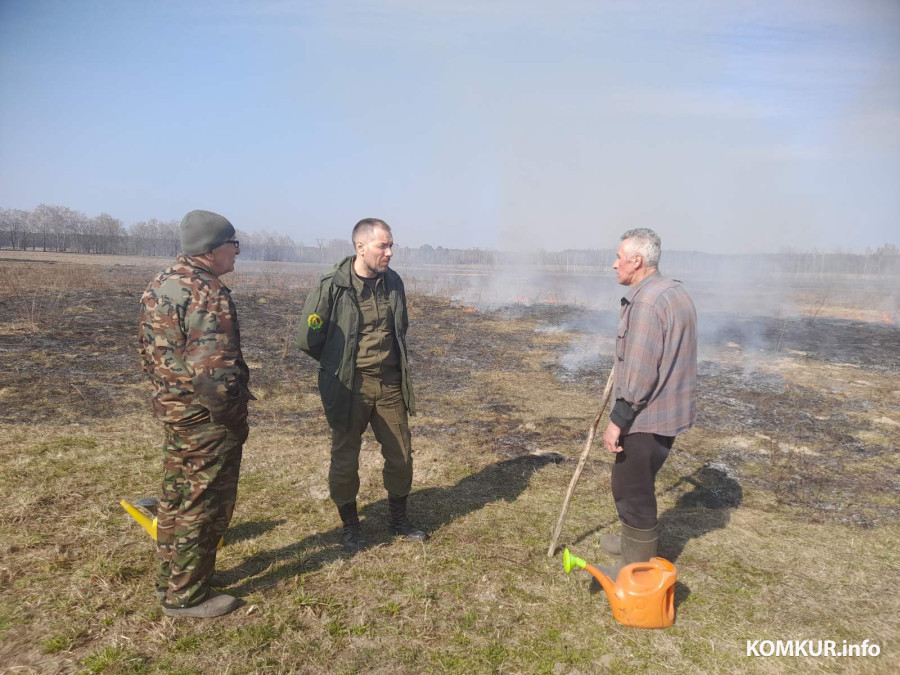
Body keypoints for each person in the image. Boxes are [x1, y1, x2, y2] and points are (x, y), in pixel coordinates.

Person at [138, 209, 252, 618]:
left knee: (176, 496)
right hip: (206, 420)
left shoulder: (162, 283)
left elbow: (149, 352)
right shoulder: (207, 292)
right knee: (202, 506)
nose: (237, 252)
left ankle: (176, 576)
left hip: (175, 411)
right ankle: (186, 597)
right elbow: (214, 375)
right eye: (233, 244)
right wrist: (234, 419)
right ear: (212, 250)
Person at [298, 218, 427, 552]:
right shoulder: (333, 285)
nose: (390, 252)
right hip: (349, 387)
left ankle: (398, 519)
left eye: (391, 245)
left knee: (401, 455)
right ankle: (351, 526)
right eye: (383, 245)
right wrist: (339, 367)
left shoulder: (394, 282)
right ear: (360, 247)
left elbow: (402, 328)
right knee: (345, 459)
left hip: (390, 385)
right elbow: (308, 338)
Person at [599, 228, 697, 573]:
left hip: (647, 416)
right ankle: (631, 541)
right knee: (640, 479)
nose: (614, 265)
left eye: (619, 257)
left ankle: (635, 566)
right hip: (668, 413)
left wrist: (619, 419)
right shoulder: (673, 291)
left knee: (631, 487)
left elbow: (640, 372)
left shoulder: (645, 302)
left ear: (637, 261)